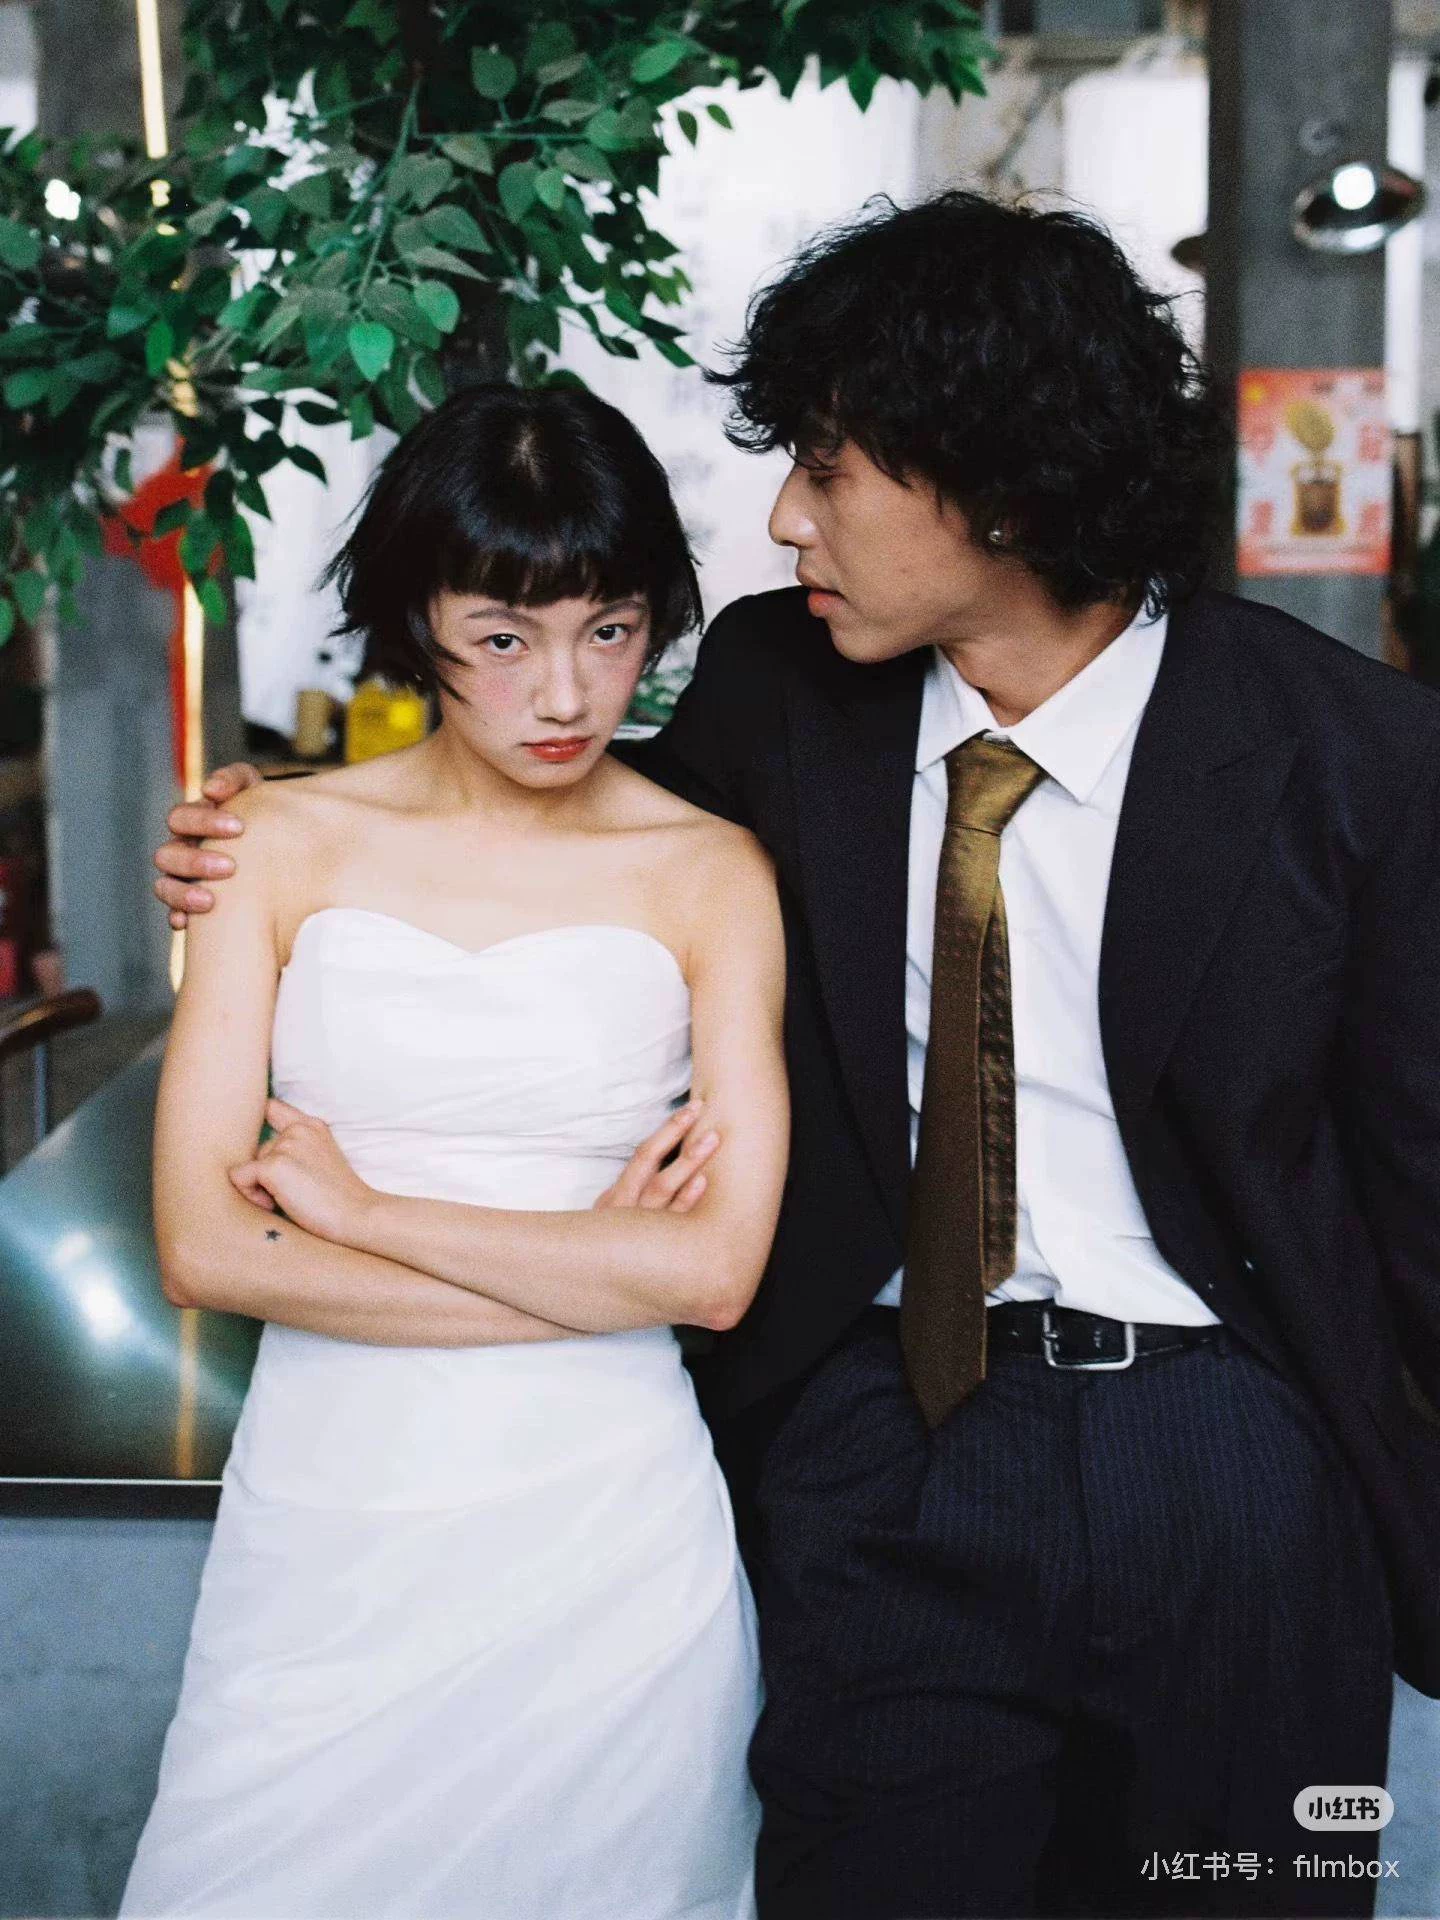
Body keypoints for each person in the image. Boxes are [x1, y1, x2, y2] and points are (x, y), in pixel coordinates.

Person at [155, 191, 1440, 1920]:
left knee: (1245, 1895)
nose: (783, 519)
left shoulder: (1356, 757)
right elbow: (551, 847)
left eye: (827, 473)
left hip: (1235, 1462)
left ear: (998, 486)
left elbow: (1421, 1185)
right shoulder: (780, 685)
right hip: (887, 1437)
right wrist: (264, 833)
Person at [126, 383, 787, 1919]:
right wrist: (599, 1274)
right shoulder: (270, 843)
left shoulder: (709, 872)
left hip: (610, 1529)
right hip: (334, 1510)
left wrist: (363, 1215)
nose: (564, 692)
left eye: (611, 630)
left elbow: (717, 1274)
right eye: (503, 637)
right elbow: (203, 1250)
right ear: (416, 622)